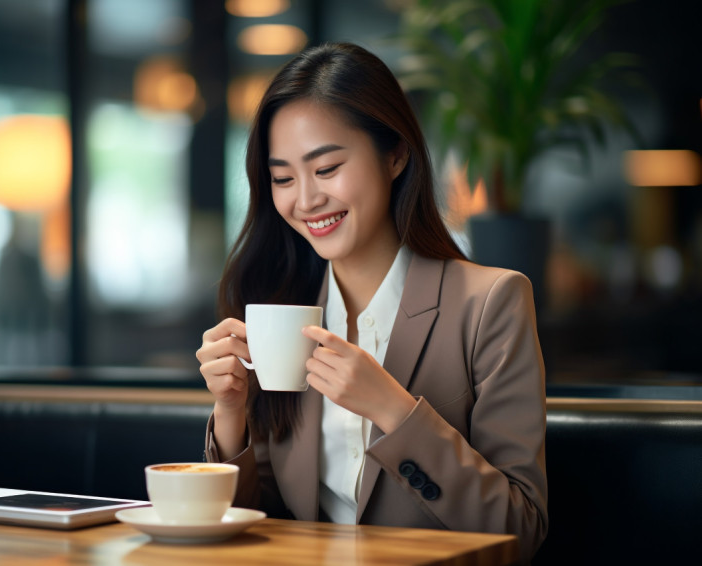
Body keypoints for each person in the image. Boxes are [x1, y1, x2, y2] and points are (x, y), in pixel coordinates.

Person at [196, 42, 548, 563]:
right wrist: (230, 416)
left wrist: (393, 408)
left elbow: (520, 528)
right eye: (283, 178)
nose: (306, 199)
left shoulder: (490, 302)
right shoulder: (282, 311)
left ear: (396, 154)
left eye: (328, 167)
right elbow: (261, 522)